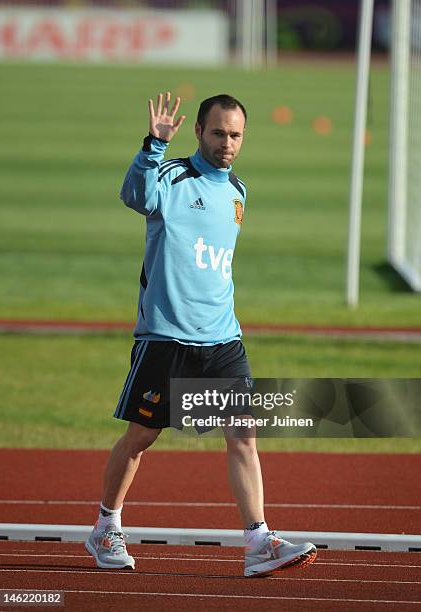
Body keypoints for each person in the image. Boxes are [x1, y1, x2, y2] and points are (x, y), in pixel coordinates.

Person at [85, 92, 317, 577]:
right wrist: (153, 144)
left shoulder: (238, 192)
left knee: (243, 436)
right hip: (164, 338)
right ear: (199, 132)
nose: (227, 143)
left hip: (222, 340)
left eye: (236, 135)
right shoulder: (170, 176)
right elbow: (134, 197)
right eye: (218, 133)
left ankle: (257, 541)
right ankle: (106, 525)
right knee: (141, 437)